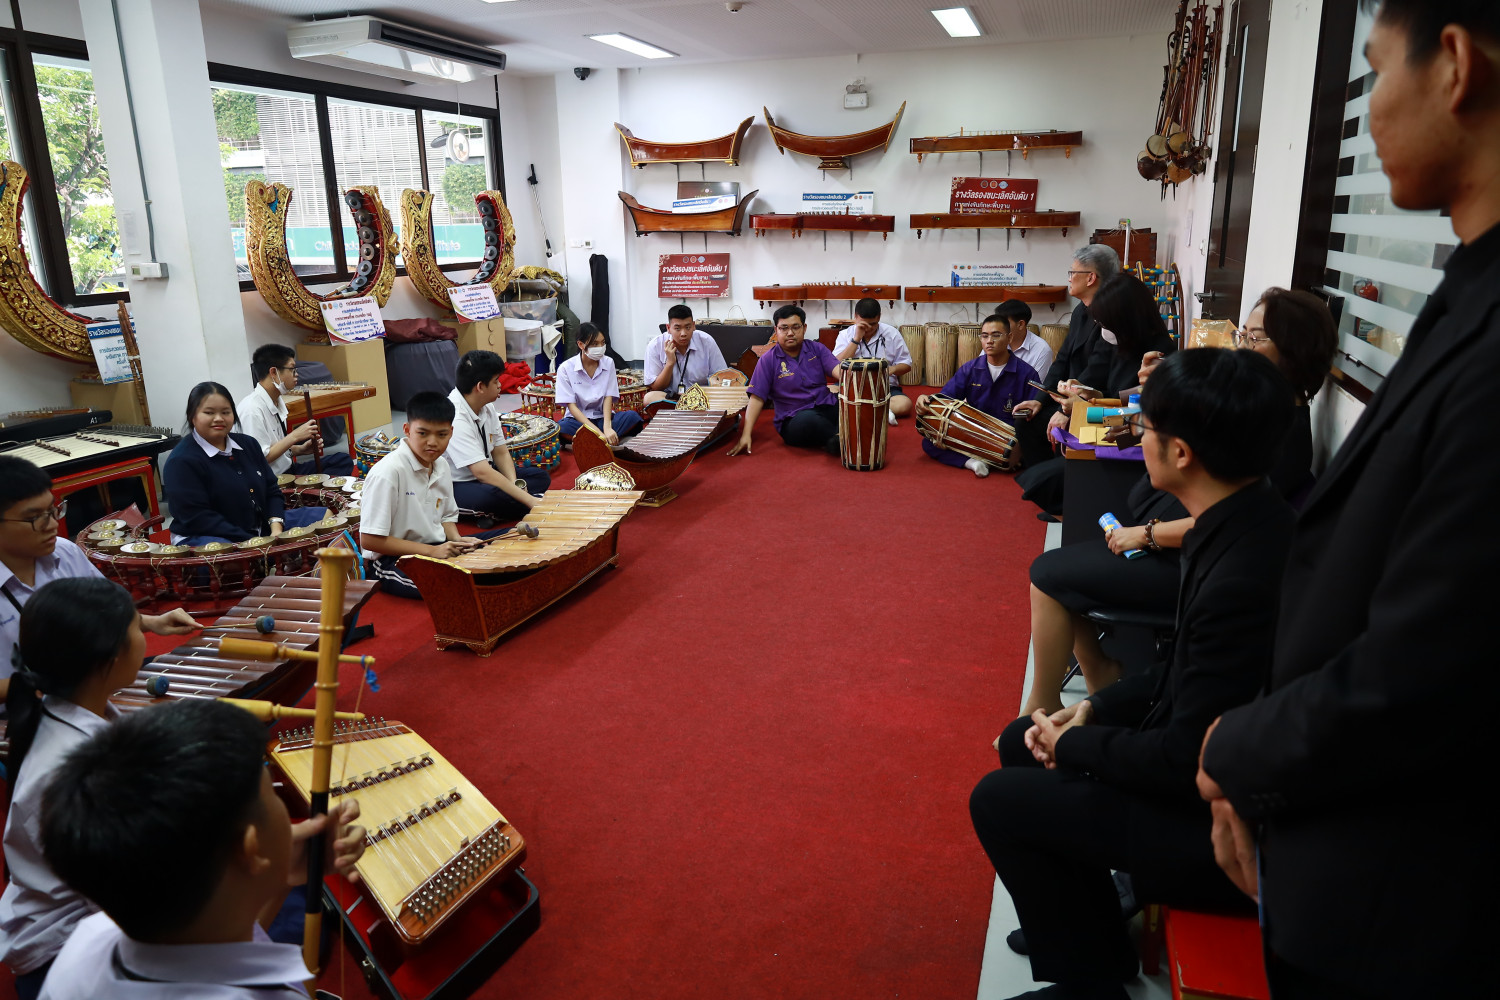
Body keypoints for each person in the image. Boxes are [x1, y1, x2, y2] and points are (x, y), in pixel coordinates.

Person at [1197, 4, 1500, 996]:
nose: (1365, 112)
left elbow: (1431, 666)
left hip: (1407, 898)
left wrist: (1239, 749)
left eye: (1372, 71)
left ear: (1453, 63)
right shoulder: (1470, 287)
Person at [970, 348, 1297, 1000]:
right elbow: (1181, 669)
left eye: (1145, 427)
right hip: (1198, 767)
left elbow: (1182, 761)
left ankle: (1090, 982)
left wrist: (1075, 745)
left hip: (1223, 834)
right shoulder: (1246, 518)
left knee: (998, 800)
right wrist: (1094, 709)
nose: (1138, 437)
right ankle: (1088, 933)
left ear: (1181, 453)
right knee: (1020, 742)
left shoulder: (1241, 574)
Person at [1017, 286, 1338, 716]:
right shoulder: (1253, 412)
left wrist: (1146, 534)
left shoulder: (1282, 437)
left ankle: (1050, 700)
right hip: (1168, 544)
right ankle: (1099, 674)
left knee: (1050, 573)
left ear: (1295, 351)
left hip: (1187, 564)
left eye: (1255, 337)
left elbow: (1231, 522)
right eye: (1242, 334)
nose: (1241, 346)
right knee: (1059, 561)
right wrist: (1152, 401)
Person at [35, 698, 364, 999]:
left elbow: (219, 949)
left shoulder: (89, 940)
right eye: (272, 795)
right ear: (249, 848)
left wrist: (278, 876)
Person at [0, 579, 145, 998]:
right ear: (110, 657)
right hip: (68, 958)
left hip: (82, 917)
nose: (144, 637)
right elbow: (129, 902)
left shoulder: (58, 711)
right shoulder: (82, 771)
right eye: (138, 627)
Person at [0, 457, 196, 706]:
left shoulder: (64, 551)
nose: (52, 525)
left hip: (89, 683)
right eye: (34, 518)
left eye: (52, 510)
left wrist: (153, 622)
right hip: (22, 710)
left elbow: (102, 613)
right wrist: (51, 685)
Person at [1015, 274, 1177, 516]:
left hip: (1131, 436)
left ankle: (1074, 509)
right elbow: (1105, 384)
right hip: (1113, 421)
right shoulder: (1117, 340)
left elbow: (1138, 417)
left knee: (1046, 479)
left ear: (1126, 319)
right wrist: (1085, 392)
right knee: (1037, 458)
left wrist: (1083, 409)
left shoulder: (1158, 356)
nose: (1102, 328)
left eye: (1106, 322)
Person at [163, 383, 327, 546]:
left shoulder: (248, 444)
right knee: (231, 555)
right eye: (209, 412)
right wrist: (252, 541)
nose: (219, 418)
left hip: (260, 526)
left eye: (225, 412)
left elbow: (272, 490)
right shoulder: (181, 461)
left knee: (326, 517)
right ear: (192, 416)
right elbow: (198, 518)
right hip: (208, 535)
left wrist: (276, 528)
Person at [360, 391, 487, 599]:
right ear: (407, 430)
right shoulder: (387, 473)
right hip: (393, 560)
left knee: (505, 543)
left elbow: (446, 515)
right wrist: (431, 552)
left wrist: (458, 540)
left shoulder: (441, 465)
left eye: (441, 435)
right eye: (423, 433)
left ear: (451, 432)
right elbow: (369, 540)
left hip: (436, 547)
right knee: (460, 585)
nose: (432, 442)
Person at [1009, 245, 1120, 467]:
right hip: (1071, 396)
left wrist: (1066, 411)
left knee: (1065, 428)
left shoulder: (1112, 314)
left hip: (1099, 402)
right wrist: (1040, 399)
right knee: (1027, 420)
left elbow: (1096, 372)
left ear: (1090, 278)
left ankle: (1061, 476)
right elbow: (1062, 359)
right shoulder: (1080, 310)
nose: (1069, 278)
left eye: (1073, 272)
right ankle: (1043, 473)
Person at [918, 314, 1041, 477]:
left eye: (996, 335)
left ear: (1009, 337)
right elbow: (945, 399)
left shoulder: (1027, 373)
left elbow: (1036, 414)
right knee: (929, 442)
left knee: (1033, 450)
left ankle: (1000, 458)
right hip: (973, 431)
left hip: (1008, 436)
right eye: (984, 336)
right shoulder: (970, 369)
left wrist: (1019, 443)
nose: (989, 341)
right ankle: (972, 462)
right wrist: (926, 399)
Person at [444, 350, 549, 524]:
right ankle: (501, 507)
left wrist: (514, 484)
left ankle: (500, 511)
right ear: (480, 387)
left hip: (486, 474)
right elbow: (482, 472)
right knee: (489, 498)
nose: (500, 385)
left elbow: (500, 452)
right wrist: (530, 500)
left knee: (539, 477)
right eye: (496, 381)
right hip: (457, 484)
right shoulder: (455, 416)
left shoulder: (486, 406)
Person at [730, 305, 843, 456]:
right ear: (776, 330)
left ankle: (836, 439)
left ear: (804, 328)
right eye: (784, 328)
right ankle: (843, 437)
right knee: (809, 421)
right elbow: (757, 398)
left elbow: (838, 370)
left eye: (796, 327)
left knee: (848, 405)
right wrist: (746, 434)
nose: (790, 333)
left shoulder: (817, 349)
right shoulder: (768, 360)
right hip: (794, 418)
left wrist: (855, 377)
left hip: (826, 405)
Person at [235, 344, 354, 479]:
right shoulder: (252, 410)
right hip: (273, 481)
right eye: (292, 369)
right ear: (273, 372)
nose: (296, 374)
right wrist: (294, 437)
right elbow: (259, 459)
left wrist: (300, 449)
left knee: (342, 460)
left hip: (289, 470)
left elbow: (277, 449)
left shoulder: (276, 400)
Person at [556, 324, 644, 444]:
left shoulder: (608, 362)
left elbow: (608, 396)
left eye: (602, 343)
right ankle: (607, 441)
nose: (601, 347)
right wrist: (597, 433)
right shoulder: (565, 368)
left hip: (603, 418)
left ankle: (591, 443)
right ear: (581, 345)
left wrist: (607, 427)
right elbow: (572, 407)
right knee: (562, 428)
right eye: (595, 344)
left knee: (633, 417)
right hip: (580, 422)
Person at [832, 298, 915, 424]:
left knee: (904, 404)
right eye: (864, 324)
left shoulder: (892, 333)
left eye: (873, 324)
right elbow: (835, 364)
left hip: (884, 387)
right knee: (827, 391)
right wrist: (856, 339)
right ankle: (880, 411)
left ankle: (856, 411)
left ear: (879, 317)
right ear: (855, 317)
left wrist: (892, 369)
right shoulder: (845, 334)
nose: (869, 328)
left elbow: (907, 365)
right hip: (850, 386)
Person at [643, 305, 728, 405]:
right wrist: (670, 363)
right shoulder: (655, 345)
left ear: (693, 325)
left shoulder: (706, 341)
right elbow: (656, 387)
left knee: (725, 393)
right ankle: (686, 407)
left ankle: (687, 407)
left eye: (688, 327)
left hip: (702, 397)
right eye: (677, 328)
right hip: (672, 398)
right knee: (649, 398)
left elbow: (722, 376)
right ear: (668, 328)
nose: (683, 333)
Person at [995, 299, 1056, 378]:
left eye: (1004, 323)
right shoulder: (994, 340)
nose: (998, 328)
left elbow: (1036, 384)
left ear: (1020, 324)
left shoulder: (1042, 350)